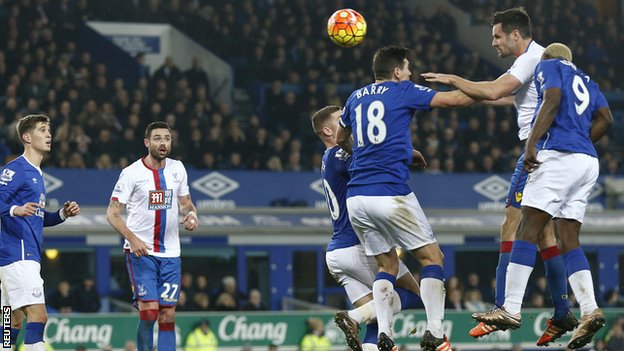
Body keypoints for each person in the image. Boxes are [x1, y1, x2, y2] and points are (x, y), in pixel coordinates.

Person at [422, 8, 573, 344]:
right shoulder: (540, 59)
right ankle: (562, 312)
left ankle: (504, 307)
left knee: (511, 223)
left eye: (497, 36)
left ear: (515, 35)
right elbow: (510, 97)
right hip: (552, 153)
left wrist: (454, 80)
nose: (493, 43)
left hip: (539, 154)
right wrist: (470, 97)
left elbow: (492, 91)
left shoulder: (530, 60)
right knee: (544, 234)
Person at [472, 43, 612, 350]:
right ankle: (589, 309)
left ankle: (509, 307)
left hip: (556, 157)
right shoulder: (587, 80)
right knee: (567, 238)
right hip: (586, 161)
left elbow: (551, 99)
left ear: (547, 59)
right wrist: (581, 142)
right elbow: (606, 119)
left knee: (526, 229)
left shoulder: (549, 66)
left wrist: (532, 143)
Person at [336, 46, 475, 351]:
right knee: (432, 258)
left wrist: (371, 152)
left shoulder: (354, 97)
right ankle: (436, 331)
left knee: (386, 264)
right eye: (408, 69)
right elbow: (455, 99)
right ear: (397, 71)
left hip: (357, 197)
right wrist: (483, 90)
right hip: (389, 192)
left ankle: (385, 333)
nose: (410, 73)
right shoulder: (403, 90)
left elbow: (340, 138)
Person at [311, 106, 424, 351]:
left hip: (338, 253)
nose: (347, 121)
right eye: (341, 119)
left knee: (377, 313)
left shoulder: (328, 159)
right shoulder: (338, 155)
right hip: (356, 246)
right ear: (328, 130)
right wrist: (405, 152)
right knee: (414, 295)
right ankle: (351, 317)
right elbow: (373, 160)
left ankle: (360, 325)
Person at [107, 121, 200, 351]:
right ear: (147, 142)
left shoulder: (178, 168)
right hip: (142, 252)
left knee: (167, 314)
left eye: (167, 138)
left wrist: (193, 216)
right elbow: (112, 214)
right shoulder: (131, 173)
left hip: (171, 254)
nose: (163, 143)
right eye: (157, 138)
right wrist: (132, 238)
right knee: (149, 312)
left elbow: (186, 204)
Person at [0, 114, 81, 350]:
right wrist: (15, 209)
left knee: (11, 321)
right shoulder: (17, 169)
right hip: (18, 255)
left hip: (16, 258)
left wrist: (62, 214)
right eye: (43, 130)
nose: (49, 135)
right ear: (27, 137)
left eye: (49, 130)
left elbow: (37, 217)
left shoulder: (36, 174)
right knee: (38, 317)